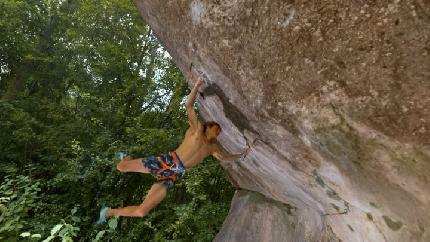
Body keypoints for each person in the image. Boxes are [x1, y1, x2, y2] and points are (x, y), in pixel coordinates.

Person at [97, 70, 250, 223]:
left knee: (142, 212)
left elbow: (225, 157)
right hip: (165, 161)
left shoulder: (213, 148)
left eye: (220, 132)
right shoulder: (195, 130)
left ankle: (109, 212)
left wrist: (241, 154)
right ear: (208, 126)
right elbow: (188, 106)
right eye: (216, 129)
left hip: (172, 175)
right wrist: (197, 85)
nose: (218, 132)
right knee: (121, 167)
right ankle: (126, 158)